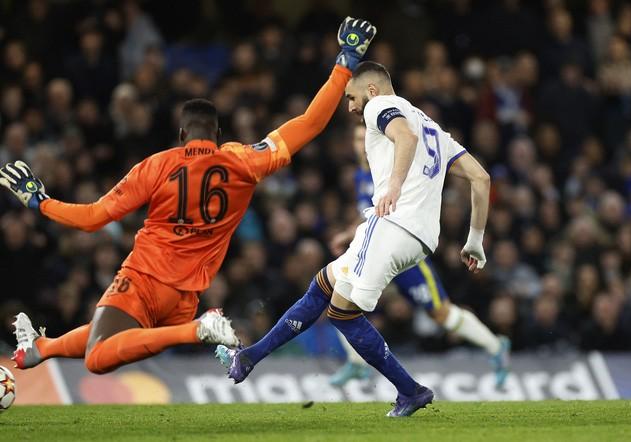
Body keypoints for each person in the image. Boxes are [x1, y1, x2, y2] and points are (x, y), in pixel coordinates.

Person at [0, 17, 377, 375]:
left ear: (182, 134)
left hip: (146, 276)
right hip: (186, 295)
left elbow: (93, 218)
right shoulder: (244, 161)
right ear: (217, 134)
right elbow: (310, 123)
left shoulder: (156, 166)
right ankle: (41, 349)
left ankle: (196, 330)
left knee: (98, 357)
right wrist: (345, 62)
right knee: (111, 333)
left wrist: (40, 201)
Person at [216, 61, 492, 417]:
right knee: (323, 286)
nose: (350, 107)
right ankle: (249, 357)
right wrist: (475, 240)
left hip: (391, 224)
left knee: (343, 315)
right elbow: (480, 178)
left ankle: (411, 391)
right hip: (420, 238)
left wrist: (393, 187)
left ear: (372, 90)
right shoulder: (432, 127)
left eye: (351, 97)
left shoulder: (380, 106)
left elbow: (404, 137)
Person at [327, 124, 509, 388]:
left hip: (403, 259)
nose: (360, 144)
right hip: (376, 254)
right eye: (356, 139)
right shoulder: (360, 176)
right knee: (338, 292)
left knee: (441, 314)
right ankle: (356, 363)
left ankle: (496, 347)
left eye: (363, 137)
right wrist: (348, 233)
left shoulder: (391, 168)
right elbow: (369, 209)